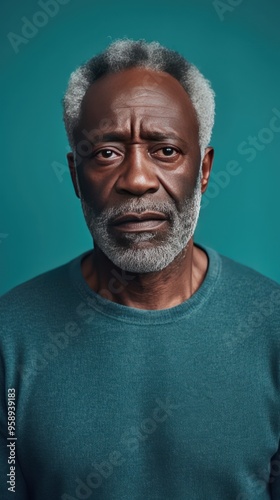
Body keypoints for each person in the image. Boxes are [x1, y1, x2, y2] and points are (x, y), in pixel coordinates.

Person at [0, 39, 280, 500]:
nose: (136, 180)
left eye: (165, 151)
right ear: (75, 177)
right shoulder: (11, 338)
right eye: (107, 152)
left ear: (204, 170)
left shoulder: (271, 327)